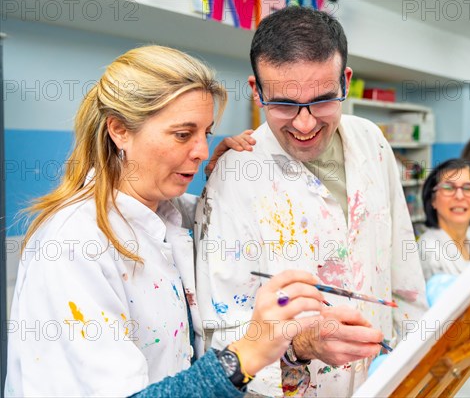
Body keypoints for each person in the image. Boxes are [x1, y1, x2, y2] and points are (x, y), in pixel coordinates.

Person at [4, 45, 327, 397]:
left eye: (206, 132)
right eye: (183, 134)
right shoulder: (74, 243)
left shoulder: (169, 213)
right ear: (119, 130)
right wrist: (247, 354)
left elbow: (220, 220)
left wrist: (227, 178)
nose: (202, 150)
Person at [195, 6, 427, 397]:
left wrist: (418, 357)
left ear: (345, 82)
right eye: (284, 104)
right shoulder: (235, 174)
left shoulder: (371, 141)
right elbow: (220, 327)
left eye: (322, 100)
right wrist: (299, 346)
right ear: (256, 91)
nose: (304, 124)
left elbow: (402, 266)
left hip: (381, 378)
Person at [419, 159, 470, 280]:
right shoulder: (429, 252)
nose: (459, 196)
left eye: (468, 188)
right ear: (433, 200)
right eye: (448, 188)